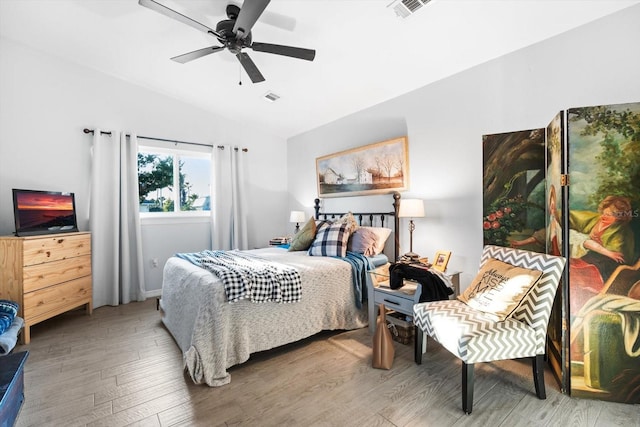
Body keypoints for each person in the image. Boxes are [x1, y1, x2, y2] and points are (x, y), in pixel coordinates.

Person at [510, 184, 562, 255]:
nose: (552, 206)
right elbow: (540, 236)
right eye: (550, 204)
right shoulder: (550, 222)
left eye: (553, 204)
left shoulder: (560, 219)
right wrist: (519, 243)